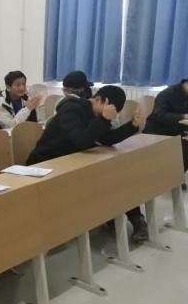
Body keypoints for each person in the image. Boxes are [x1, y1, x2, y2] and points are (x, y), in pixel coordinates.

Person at [27, 85, 148, 242]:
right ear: (98, 100)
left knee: (117, 173)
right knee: (104, 177)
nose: (110, 115)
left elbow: (106, 138)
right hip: (45, 164)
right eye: (109, 110)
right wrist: (104, 119)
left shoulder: (96, 113)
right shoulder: (71, 109)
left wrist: (132, 126)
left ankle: (137, 220)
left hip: (73, 162)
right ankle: (109, 216)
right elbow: (81, 141)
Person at [143, 78, 188, 171]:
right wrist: (183, 116)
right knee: (183, 148)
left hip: (178, 132)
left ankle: (177, 175)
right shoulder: (168, 94)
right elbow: (158, 115)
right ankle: (172, 175)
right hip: (158, 132)